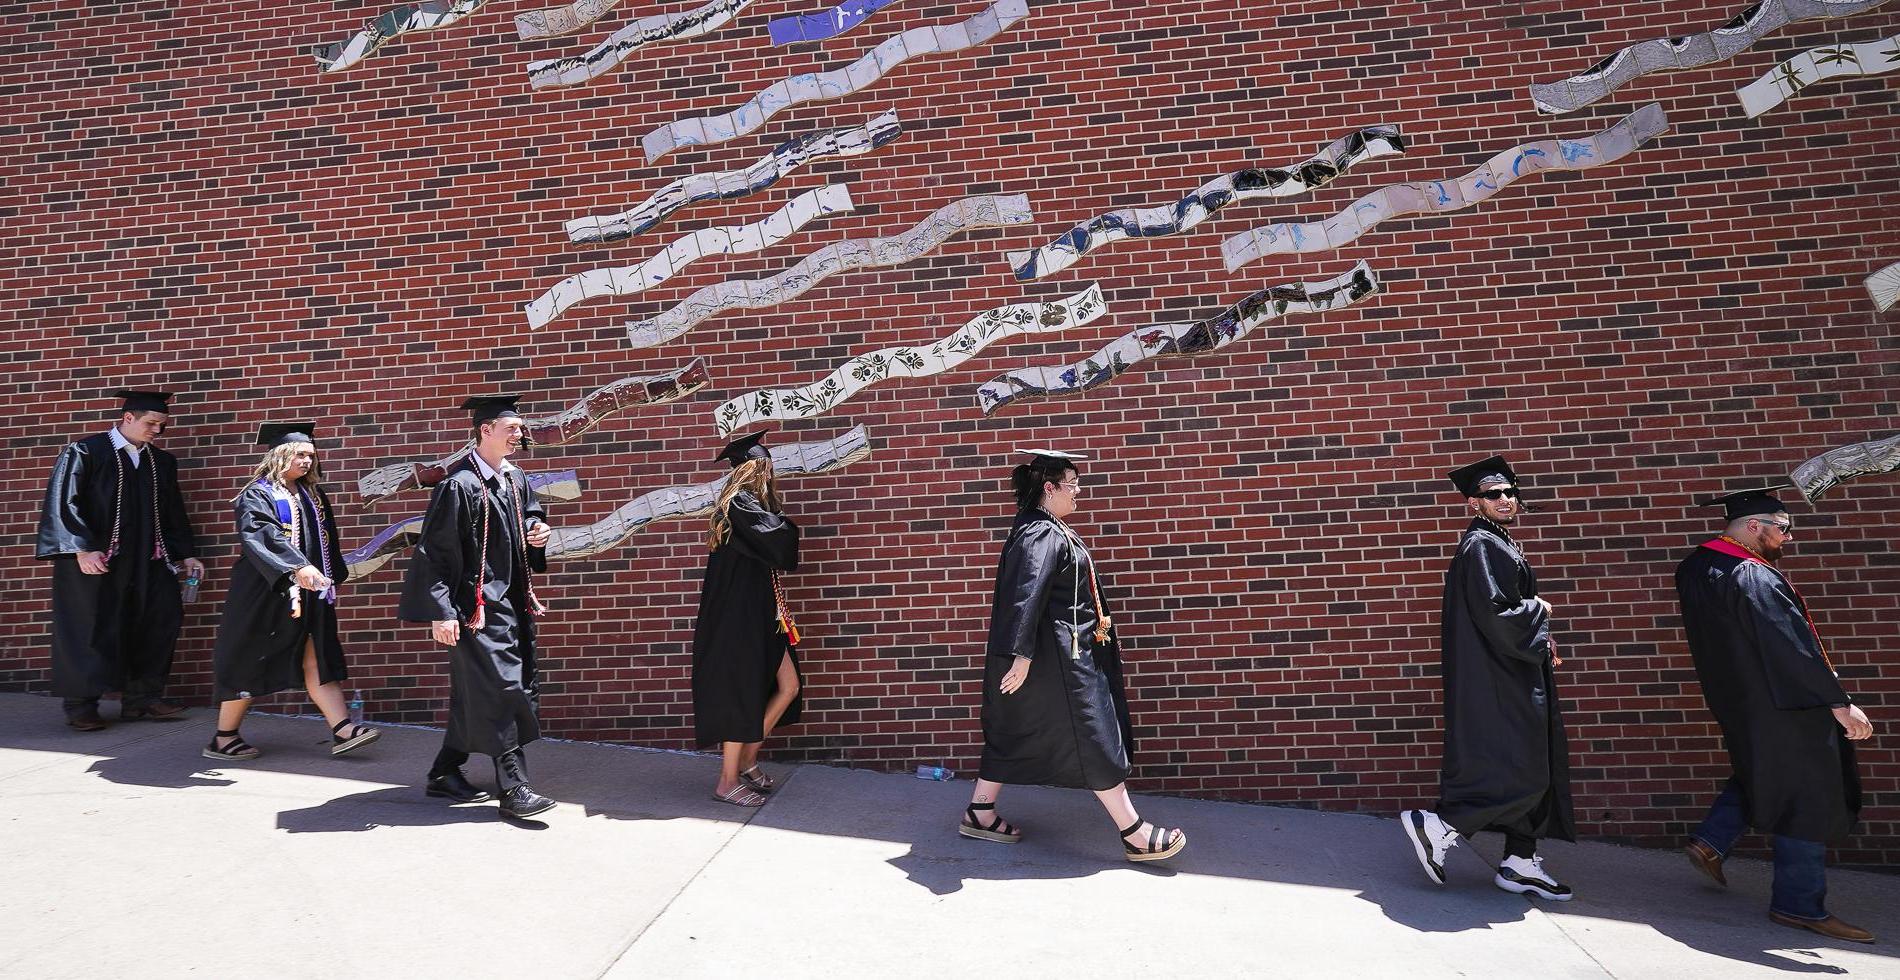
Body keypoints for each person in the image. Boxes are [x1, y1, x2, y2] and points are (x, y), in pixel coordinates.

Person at [960, 449, 1185, 863]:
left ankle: (980, 811)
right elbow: (1025, 594)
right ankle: (1133, 831)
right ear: (1050, 487)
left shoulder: (1045, 528)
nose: (1079, 492)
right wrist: (1021, 656)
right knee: (1093, 734)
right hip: (1060, 663)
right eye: (1073, 484)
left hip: (1059, 655)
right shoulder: (1041, 534)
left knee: (1016, 729)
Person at [1676, 485, 1874, 943]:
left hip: (1739, 700)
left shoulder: (1696, 566)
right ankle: (1799, 905)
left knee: (1764, 772)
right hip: (1785, 703)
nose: (1787, 538)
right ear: (1753, 526)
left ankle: (1712, 838)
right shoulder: (1751, 574)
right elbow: (1790, 646)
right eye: (1782, 528)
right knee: (1808, 798)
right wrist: (1839, 703)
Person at [1401, 455, 1574, 900]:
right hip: (1500, 677)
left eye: (1508, 492)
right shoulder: (1481, 545)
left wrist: (1541, 634)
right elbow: (1496, 613)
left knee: (1533, 763)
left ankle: (1519, 861)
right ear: (1474, 502)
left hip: (1514, 669)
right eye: (1491, 494)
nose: (1503, 499)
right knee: (1525, 769)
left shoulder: (1498, 540)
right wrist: (1541, 610)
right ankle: (1441, 825)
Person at [400, 396, 557, 820]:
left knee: (493, 689)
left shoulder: (515, 478)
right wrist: (441, 611)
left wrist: (535, 530)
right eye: (511, 428)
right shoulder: (460, 485)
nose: (519, 434)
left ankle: (444, 771)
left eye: (520, 429)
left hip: (513, 603)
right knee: (502, 689)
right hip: (475, 606)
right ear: (485, 430)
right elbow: (434, 553)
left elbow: (529, 516)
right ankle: (515, 788)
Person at [204, 424, 379, 761]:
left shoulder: (312, 495)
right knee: (248, 658)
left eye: (311, 456)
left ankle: (343, 729)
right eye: (301, 454)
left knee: (317, 652)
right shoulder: (258, 493)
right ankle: (224, 737)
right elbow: (262, 535)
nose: (308, 461)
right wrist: (296, 568)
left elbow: (327, 542)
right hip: (265, 591)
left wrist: (330, 575)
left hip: (311, 589)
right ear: (280, 455)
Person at [35, 389, 203, 731]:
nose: (157, 430)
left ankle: (142, 699)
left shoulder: (161, 462)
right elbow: (64, 501)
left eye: (162, 425)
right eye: (151, 423)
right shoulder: (86, 451)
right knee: (90, 627)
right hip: (97, 560)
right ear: (128, 418)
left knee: (158, 620)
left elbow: (173, 512)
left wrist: (186, 553)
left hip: (149, 560)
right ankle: (81, 705)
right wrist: (80, 547)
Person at [692, 432, 804, 807]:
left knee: (787, 686)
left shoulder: (748, 504)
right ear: (755, 468)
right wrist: (785, 524)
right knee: (741, 695)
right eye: (767, 465)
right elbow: (780, 537)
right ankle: (726, 781)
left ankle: (748, 759)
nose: (772, 472)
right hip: (738, 619)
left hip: (761, 615)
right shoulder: (738, 504)